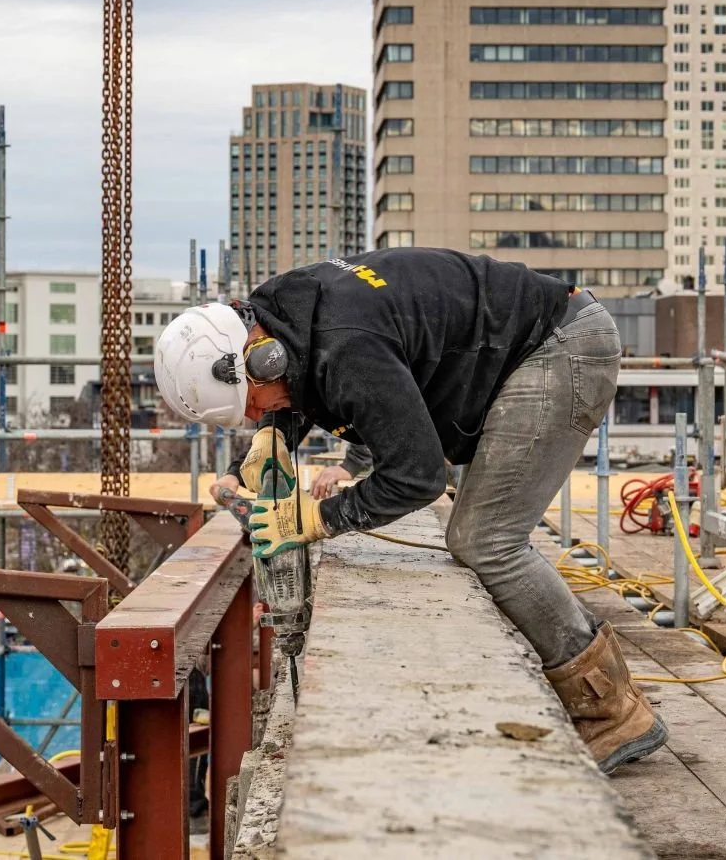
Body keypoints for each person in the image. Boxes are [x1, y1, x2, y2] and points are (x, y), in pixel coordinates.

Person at [154, 247, 665, 772]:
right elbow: (304, 379)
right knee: (482, 539)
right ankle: (604, 688)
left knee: (486, 540)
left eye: (258, 405)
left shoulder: (347, 344)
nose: (266, 414)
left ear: (263, 356)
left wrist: (318, 518)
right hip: (535, 339)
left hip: (559, 346)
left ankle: (608, 709)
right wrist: (258, 454)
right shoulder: (281, 310)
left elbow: (419, 476)